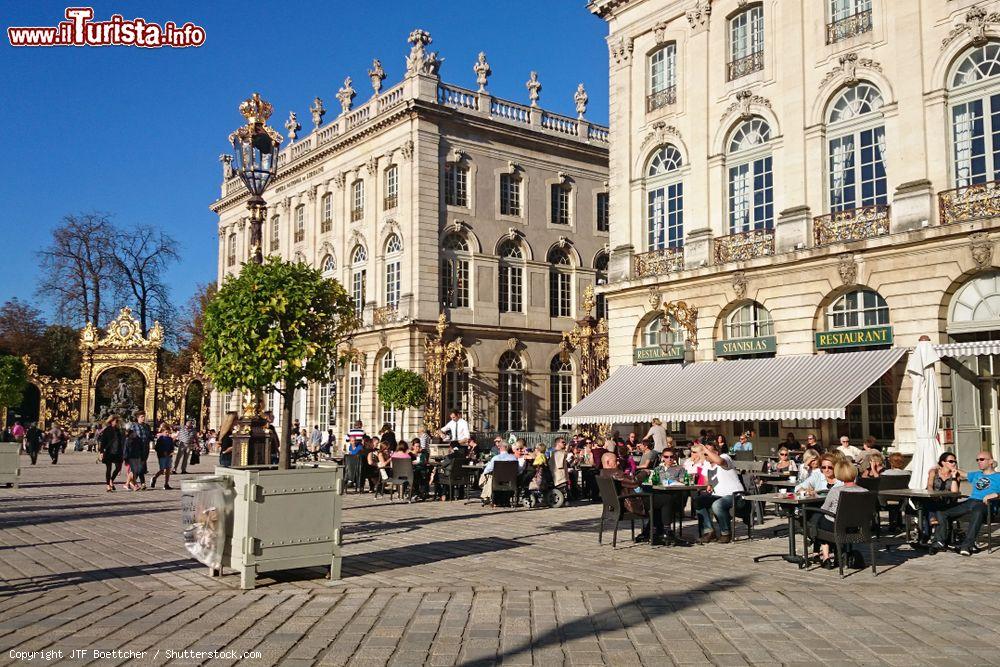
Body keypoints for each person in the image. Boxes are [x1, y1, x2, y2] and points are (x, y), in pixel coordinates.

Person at [931, 451, 1000, 556]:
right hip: (971, 502)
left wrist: (996, 494)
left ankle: (967, 545)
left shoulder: (998, 476)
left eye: (981, 459)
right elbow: (960, 472)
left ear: (991, 461)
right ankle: (940, 541)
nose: (979, 462)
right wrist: (945, 465)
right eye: (977, 460)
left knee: (977, 511)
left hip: (987, 504)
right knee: (942, 512)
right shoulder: (976, 474)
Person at [807, 459, 870, 568]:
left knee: (818, 520)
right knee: (823, 520)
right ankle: (836, 554)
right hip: (856, 527)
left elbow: (825, 508)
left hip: (837, 526)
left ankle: (825, 557)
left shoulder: (836, 490)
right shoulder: (865, 491)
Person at [691, 442, 744, 544]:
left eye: (709, 452)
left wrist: (705, 449)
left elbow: (719, 461)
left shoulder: (725, 457)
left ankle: (725, 533)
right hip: (718, 495)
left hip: (736, 495)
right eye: (705, 454)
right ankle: (709, 532)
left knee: (717, 504)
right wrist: (709, 484)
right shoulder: (707, 464)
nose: (707, 455)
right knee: (699, 501)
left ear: (716, 452)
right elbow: (707, 481)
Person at [638, 448, 689, 546]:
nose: (669, 459)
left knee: (664, 501)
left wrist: (673, 482)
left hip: (673, 495)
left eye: (671, 457)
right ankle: (661, 531)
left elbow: (683, 482)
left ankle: (657, 531)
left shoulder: (679, 469)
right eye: (666, 457)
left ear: (675, 458)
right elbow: (652, 481)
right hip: (658, 496)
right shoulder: (658, 469)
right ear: (662, 458)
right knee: (654, 501)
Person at [98, 415, 124, 492]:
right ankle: (108, 485)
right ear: (111, 421)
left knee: (118, 467)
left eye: (117, 421)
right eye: (116, 421)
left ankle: (111, 480)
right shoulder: (107, 430)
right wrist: (101, 452)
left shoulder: (118, 430)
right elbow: (103, 442)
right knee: (108, 469)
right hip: (109, 451)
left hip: (117, 451)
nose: (117, 423)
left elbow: (121, 441)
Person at [150, 424, 175, 489]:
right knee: (162, 470)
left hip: (169, 456)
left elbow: (172, 447)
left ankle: (166, 484)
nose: (167, 433)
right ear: (162, 432)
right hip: (162, 457)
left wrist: (171, 451)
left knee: (168, 470)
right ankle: (154, 478)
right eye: (166, 432)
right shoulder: (160, 439)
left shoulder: (170, 439)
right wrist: (162, 452)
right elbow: (157, 448)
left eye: (168, 432)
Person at [123, 425, 148, 490]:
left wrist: (143, 457)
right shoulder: (128, 441)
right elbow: (126, 450)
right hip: (132, 458)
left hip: (138, 457)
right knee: (134, 471)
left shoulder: (138, 440)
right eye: (133, 433)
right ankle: (128, 484)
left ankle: (130, 484)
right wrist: (125, 458)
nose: (135, 433)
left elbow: (142, 448)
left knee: (138, 471)